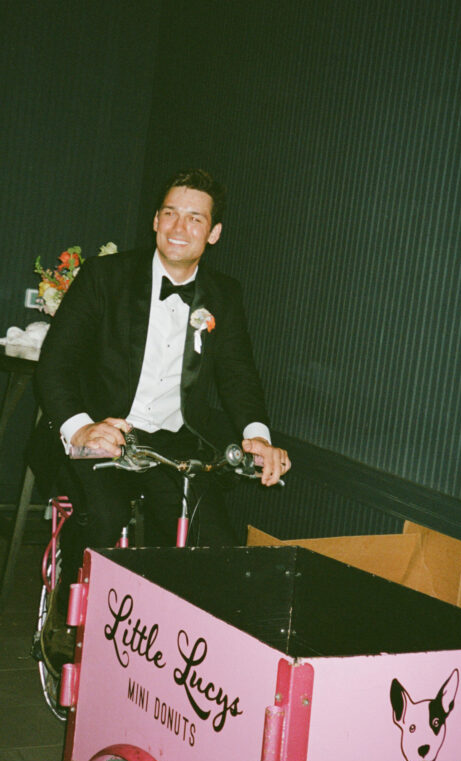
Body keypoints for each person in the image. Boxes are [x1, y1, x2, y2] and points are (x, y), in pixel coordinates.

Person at [36, 168, 290, 672]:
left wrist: (257, 437)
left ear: (213, 233)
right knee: (104, 516)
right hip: (100, 428)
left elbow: (239, 376)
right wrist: (82, 427)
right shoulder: (106, 277)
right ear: (155, 220)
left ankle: (179, 649)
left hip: (174, 440)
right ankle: (69, 616)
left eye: (195, 218)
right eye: (170, 212)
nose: (179, 226)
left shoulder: (225, 295)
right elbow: (56, 364)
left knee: (209, 532)